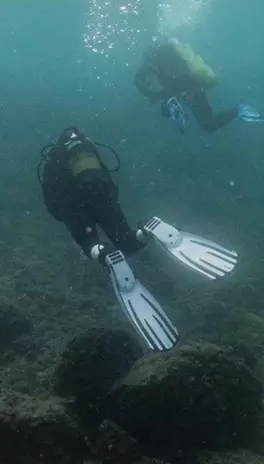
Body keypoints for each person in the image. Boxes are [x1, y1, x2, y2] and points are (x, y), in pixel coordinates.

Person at [37, 127, 240, 351]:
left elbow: (53, 204)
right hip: (102, 196)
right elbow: (108, 181)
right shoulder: (89, 152)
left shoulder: (54, 162)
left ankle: (105, 255)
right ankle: (147, 230)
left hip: (75, 205)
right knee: (127, 243)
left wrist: (66, 212)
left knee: (90, 243)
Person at [133, 41, 264, 133]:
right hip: (185, 89)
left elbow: (187, 81)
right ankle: (239, 110)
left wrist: (189, 93)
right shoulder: (154, 74)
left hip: (192, 88)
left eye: (149, 82)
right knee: (206, 124)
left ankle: (239, 110)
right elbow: (156, 90)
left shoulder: (168, 67)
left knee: (208, 125)